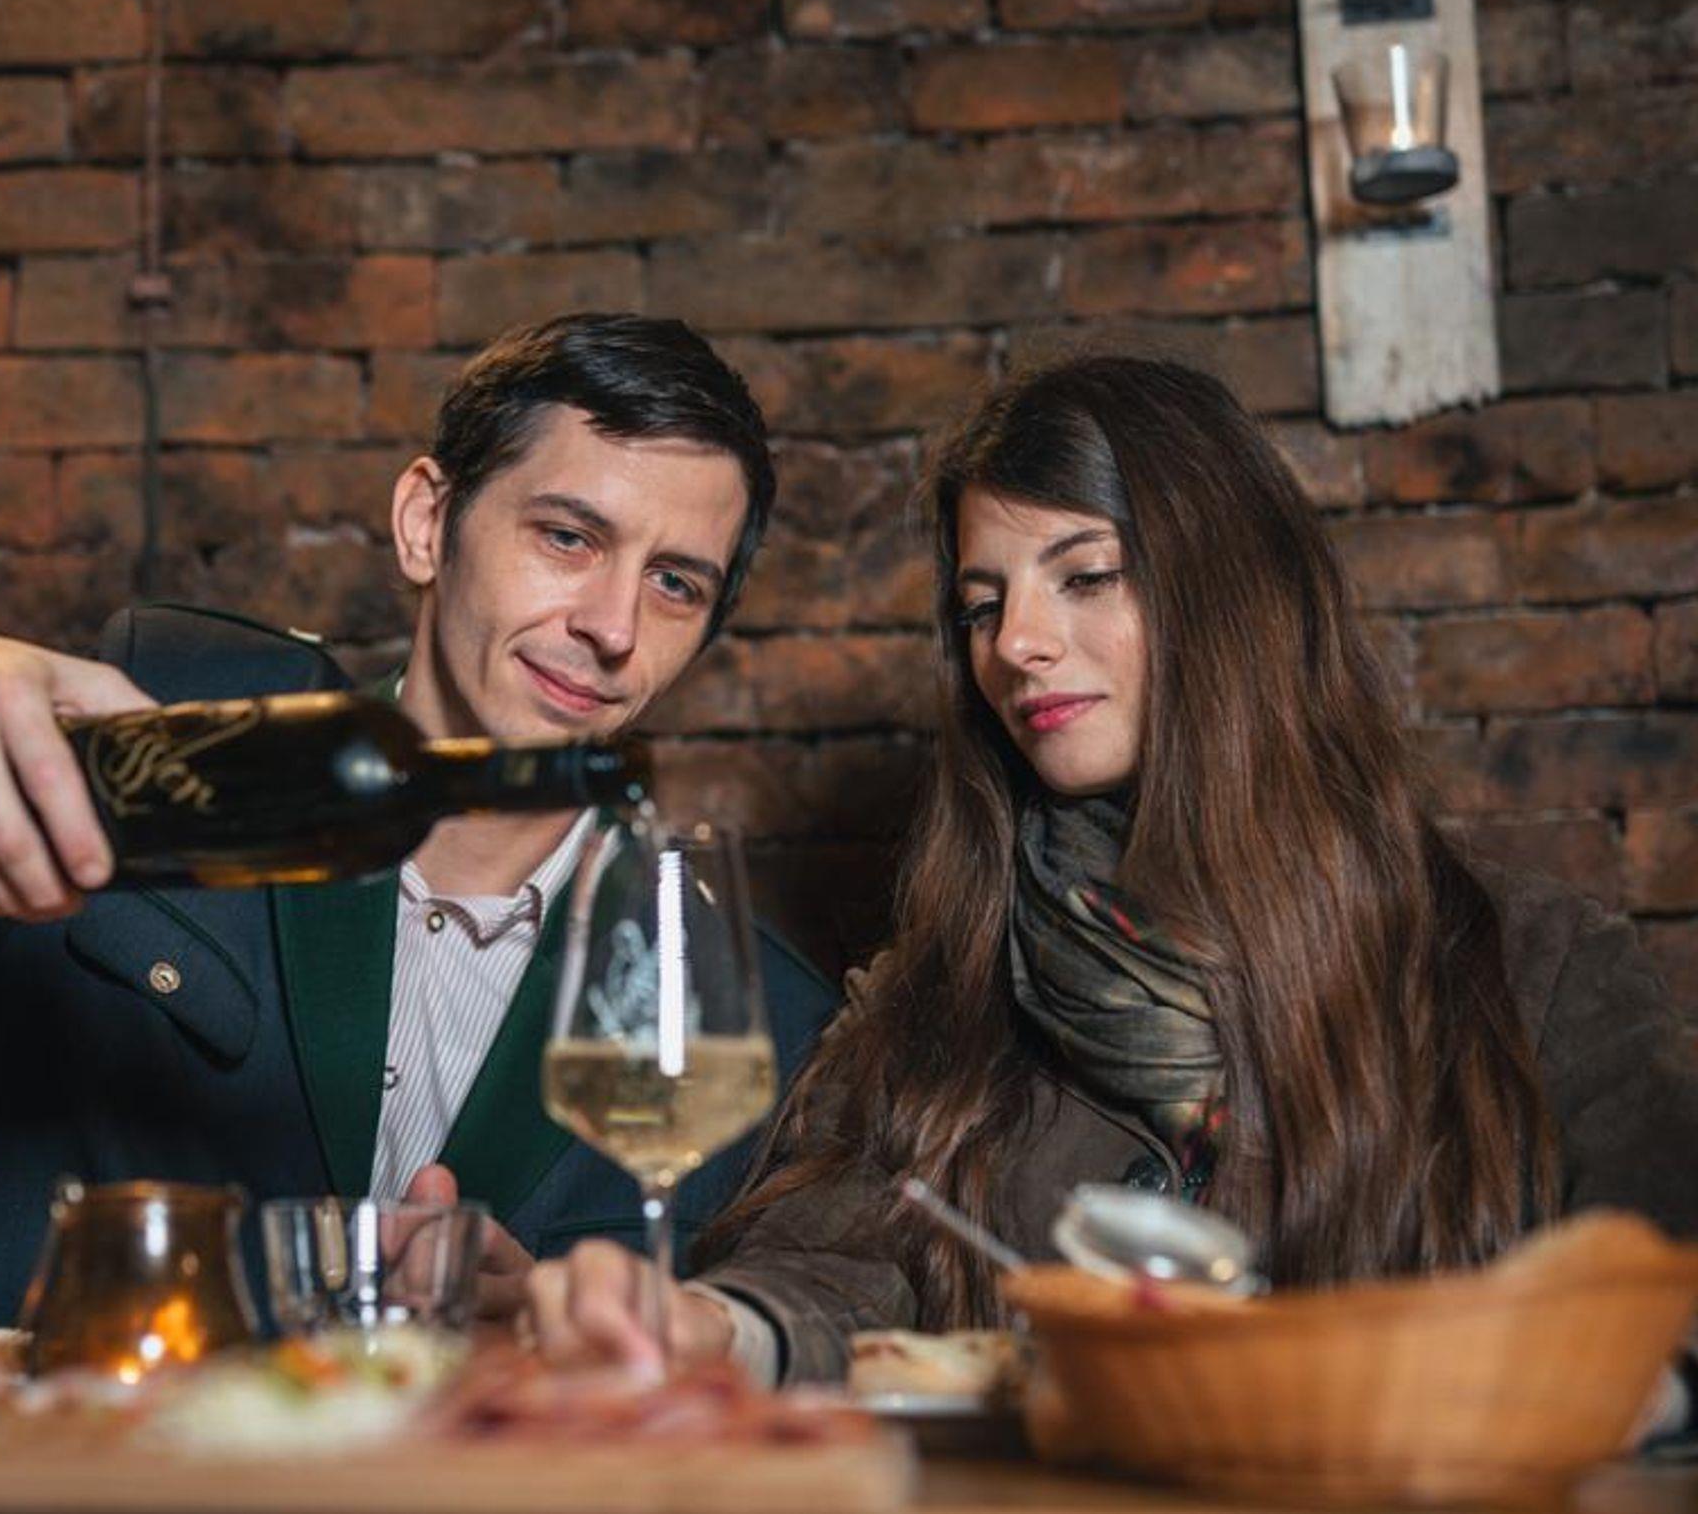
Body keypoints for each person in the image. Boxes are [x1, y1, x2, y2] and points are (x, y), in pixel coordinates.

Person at [521, 356, 1698, 1416]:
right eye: (981, 605)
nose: (1014, 643)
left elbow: (1666, 1300)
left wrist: (1523, 1391)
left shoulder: (1537, 966)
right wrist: (711, 1324)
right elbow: (822, 1273)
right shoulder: (938, 991)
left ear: (1229, 592)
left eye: (1084, 576)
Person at [0, 312, 836, 1328]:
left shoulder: (757, 1016)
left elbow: (750, 1356)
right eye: (567, 536)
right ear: (427, 522)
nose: (612, 626)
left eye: (673, 582)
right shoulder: (172, 752)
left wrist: (545, 1325)